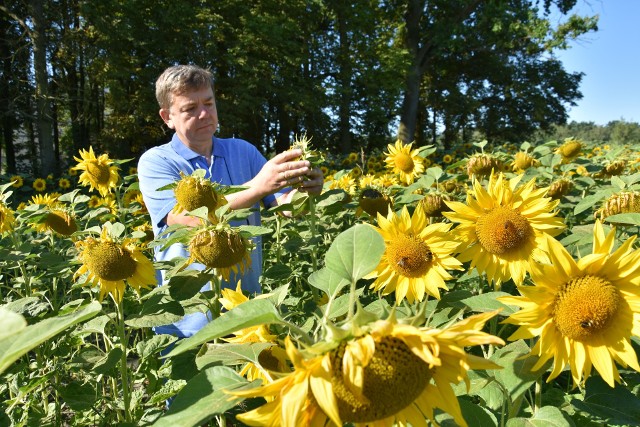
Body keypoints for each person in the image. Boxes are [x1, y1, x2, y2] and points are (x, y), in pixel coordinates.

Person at [138, 64, 323, 338]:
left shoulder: (243, 151)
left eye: (209, 103)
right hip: (187, 321)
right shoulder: (157, 161)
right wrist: (257, 187)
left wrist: (307, 189)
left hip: (244, 310)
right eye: (190, 109)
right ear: (167, 117)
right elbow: (187, 219)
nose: (204, 114)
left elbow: (285, 206)